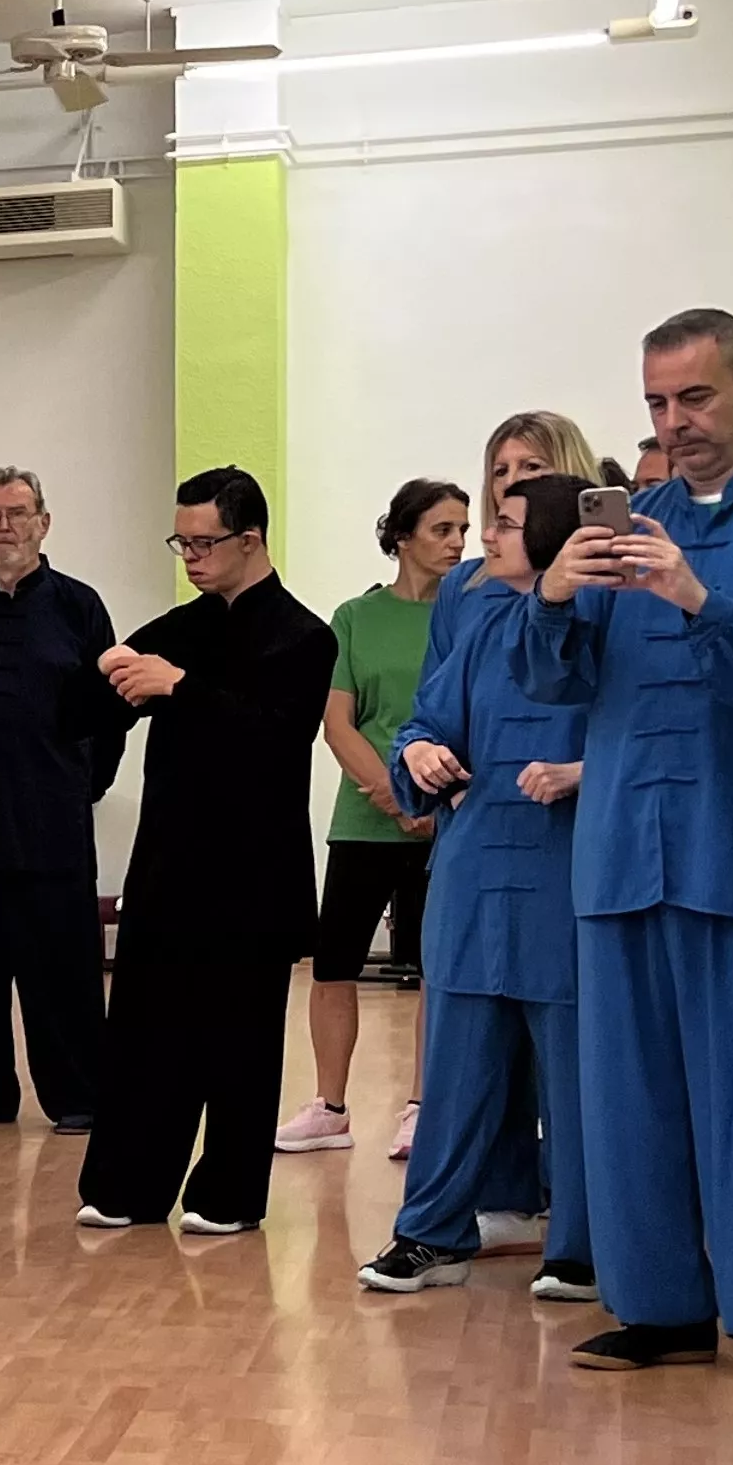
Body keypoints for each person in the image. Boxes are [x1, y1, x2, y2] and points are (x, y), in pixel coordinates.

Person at [521, 309, 733, 1395]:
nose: (677, 425)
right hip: (627, 850)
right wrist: (557, 597)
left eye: (697, 398)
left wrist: (699, 598)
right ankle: (661, 1305)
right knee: (627, 1099)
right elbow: (557, 687)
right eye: (659, 405)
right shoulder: (630, 517)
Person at [365, 449, 606, 1299]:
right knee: (455, 1066)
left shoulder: (601, 627)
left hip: (561, 872)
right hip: (471, 872)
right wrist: (419, 752)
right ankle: (428, 1233)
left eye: (500, 524)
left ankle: (578, 1248)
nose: (481, 538)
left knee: (575, 1079)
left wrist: (584, 774)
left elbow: (642, 736)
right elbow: (424, 720)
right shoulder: (476, 625)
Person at [73, 468, 334, 1235]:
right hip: (168, 866)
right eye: (180, 542)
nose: (189, 556)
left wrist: (178, 689)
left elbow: (274, 735)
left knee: (239, 1044)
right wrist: (101, 675)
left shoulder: (304, 636)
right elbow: (98, 709)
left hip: (251, 873)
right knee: (146, 1036)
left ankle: (226, 1196)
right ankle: (127, 1186)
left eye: (203, 542)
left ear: (249, 539)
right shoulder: (179, 628)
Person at [0, 465, 119, 1130]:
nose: (3, 526)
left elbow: (109, 715)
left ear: (43, 523)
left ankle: (77, 1097)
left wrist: (77, 787)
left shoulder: (78, 607)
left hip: (51, 825)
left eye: (17, 512)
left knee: (60, 973)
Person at [281, 481, 467, 1161]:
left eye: (462, 530)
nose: (455, 543)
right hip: (364, 818)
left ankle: (422, 1105)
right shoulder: (353, 618)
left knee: (432, 969)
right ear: (402, 536)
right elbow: (336, 720)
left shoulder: (466, 615)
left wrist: (428, 801)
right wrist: (391, 791)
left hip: (442, 819)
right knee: (333, 965)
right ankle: (328, 1106)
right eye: (441, 529)